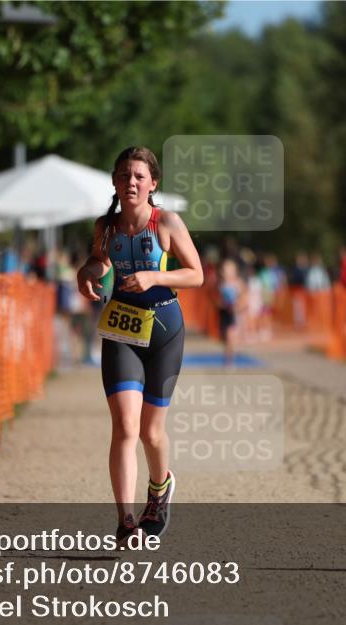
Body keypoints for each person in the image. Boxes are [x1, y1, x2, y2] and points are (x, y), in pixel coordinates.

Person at [76, 146, 203, 546]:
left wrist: (154, 277)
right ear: (114, 181)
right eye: (124, 176)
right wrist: (88, 272)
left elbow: (196, 274)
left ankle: (160, 489)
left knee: (151, 431)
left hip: (164, 328)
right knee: (125, 427)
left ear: (152, 183)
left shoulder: (165, 222)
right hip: (122, 331)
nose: (131, 182)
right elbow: (99, 261)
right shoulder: (106, 227)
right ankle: (125, 520)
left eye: (138, 176)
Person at [217, 258, 245, 366]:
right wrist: (221, 304)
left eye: (229, 269)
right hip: (223, 313)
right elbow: (216, 298)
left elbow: (244, 298)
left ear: (235, 271)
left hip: (234, 313)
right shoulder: (220, 283)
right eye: (225, 269)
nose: (227, 272)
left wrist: (238, 307)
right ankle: (229, 353)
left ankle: (229, 360)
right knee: (224, 337)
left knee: (230, 336)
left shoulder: (238, 283)